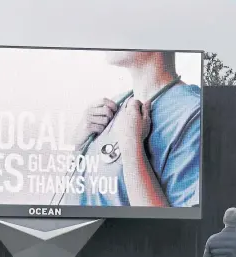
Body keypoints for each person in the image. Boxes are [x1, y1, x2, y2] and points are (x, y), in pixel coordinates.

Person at [63, 51, 200, 208]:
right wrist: (78, 150)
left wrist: (131, 147)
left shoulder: (194, 116)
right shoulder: (109, 109)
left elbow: (174, 229)